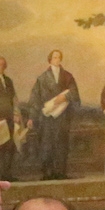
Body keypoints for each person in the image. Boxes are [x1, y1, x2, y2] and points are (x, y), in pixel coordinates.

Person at [28, 50, 80, 179]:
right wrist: (32, 117)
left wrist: (65, 97)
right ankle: (47, 172)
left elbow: (74, 92)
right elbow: (35, 98)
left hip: (62, 116)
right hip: (47, 117)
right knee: (47, 144)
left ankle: (61, 172)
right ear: (50, 59)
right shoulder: (42, 78)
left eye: (58, 57)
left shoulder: (67, 76)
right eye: (54, 57)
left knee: (62, 143)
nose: (57, 59)